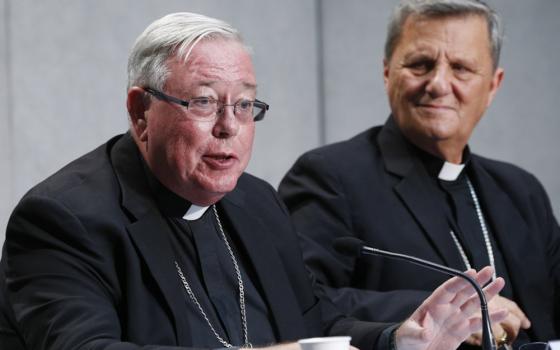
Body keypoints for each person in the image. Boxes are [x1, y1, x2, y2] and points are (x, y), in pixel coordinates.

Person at [0, 11, 506, 350]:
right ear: (141, 112)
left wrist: (398, 338)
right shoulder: (64, 219)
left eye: (244, 104)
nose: (229, 125)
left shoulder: (255, 202)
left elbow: (314, 320)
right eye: (203, 101)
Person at [279, 0, 560, 349]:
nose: (439, 84)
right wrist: (444, 311)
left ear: (493, 85)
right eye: (420, 64)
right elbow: (298, 303)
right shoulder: (331, 177)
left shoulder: (521, 193)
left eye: (461, 68)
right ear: (387, 73)